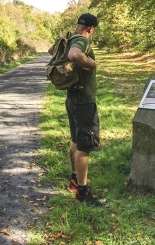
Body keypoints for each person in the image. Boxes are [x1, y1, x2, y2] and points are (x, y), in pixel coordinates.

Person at [50, 12, 104, 206]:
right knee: (84, 147)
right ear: (91, 29)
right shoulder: (82, 40)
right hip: (84, 102)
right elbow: (74, 55)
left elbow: (51, 51)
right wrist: (91, 63)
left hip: (72, 99)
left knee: (75, 140)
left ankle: (74, 180)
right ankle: (83, 193)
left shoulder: (69, 38)